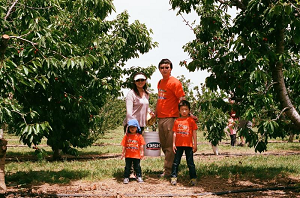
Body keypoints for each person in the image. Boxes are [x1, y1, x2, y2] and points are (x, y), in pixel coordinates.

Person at [155, 58, 185, 177]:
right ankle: (172, 166)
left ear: (171, 69)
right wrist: (155, 113)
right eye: (162, 67)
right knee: (164, 145)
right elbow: (160, 100)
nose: (164, 69)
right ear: (159, 69)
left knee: (170, 146)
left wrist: (186, 114)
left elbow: (182, 99)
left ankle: (169, 171)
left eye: (166, 67)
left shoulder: (175, 82)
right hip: (161, 118)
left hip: (171, 117)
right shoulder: (160, 82)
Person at [170, 100, 198, 186]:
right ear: (179, 111)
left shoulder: (191, 121)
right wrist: (173, 144)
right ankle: (174, 177)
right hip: (178, 145)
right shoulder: (177, 121)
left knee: (190, 163)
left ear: (189, 110)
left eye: (186, 109)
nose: (184, 111)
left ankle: (193, 178)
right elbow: (174, 133)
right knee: (176, 162)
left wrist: (195, 144)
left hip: (188, 145)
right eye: (182, 109)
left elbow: (194, 133)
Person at [121, 119, 145, 184]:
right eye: (130, 127)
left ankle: (139, 176)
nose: (132, 129)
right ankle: (126, 177)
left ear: (137, 127)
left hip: (136, 155)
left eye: (134, 127)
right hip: (128, 155)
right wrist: (122, 153)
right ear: (128, 128)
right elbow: (124, 145)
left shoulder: (139, 136)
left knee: (137, 167)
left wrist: (142, 153)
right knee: (127, 167)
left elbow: (141, 145)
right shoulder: (126, 136)